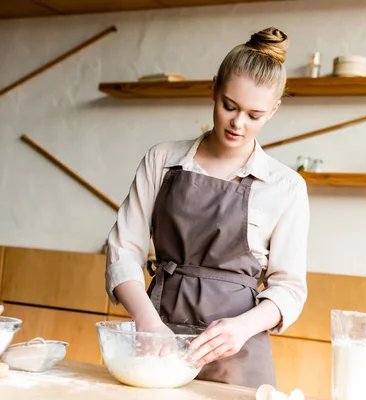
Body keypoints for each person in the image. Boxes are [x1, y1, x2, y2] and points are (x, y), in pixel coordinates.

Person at [104, 27, 310, 389]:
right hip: (157, 342)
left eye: (254, 114)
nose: (238, 123)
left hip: (238, 353)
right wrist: (148, 323)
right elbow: (123, 251)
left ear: (274, 110)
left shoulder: (286, 187)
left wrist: (243, 326)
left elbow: (289, 289)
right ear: (214, 87)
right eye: (229, 106)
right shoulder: (162, 161)